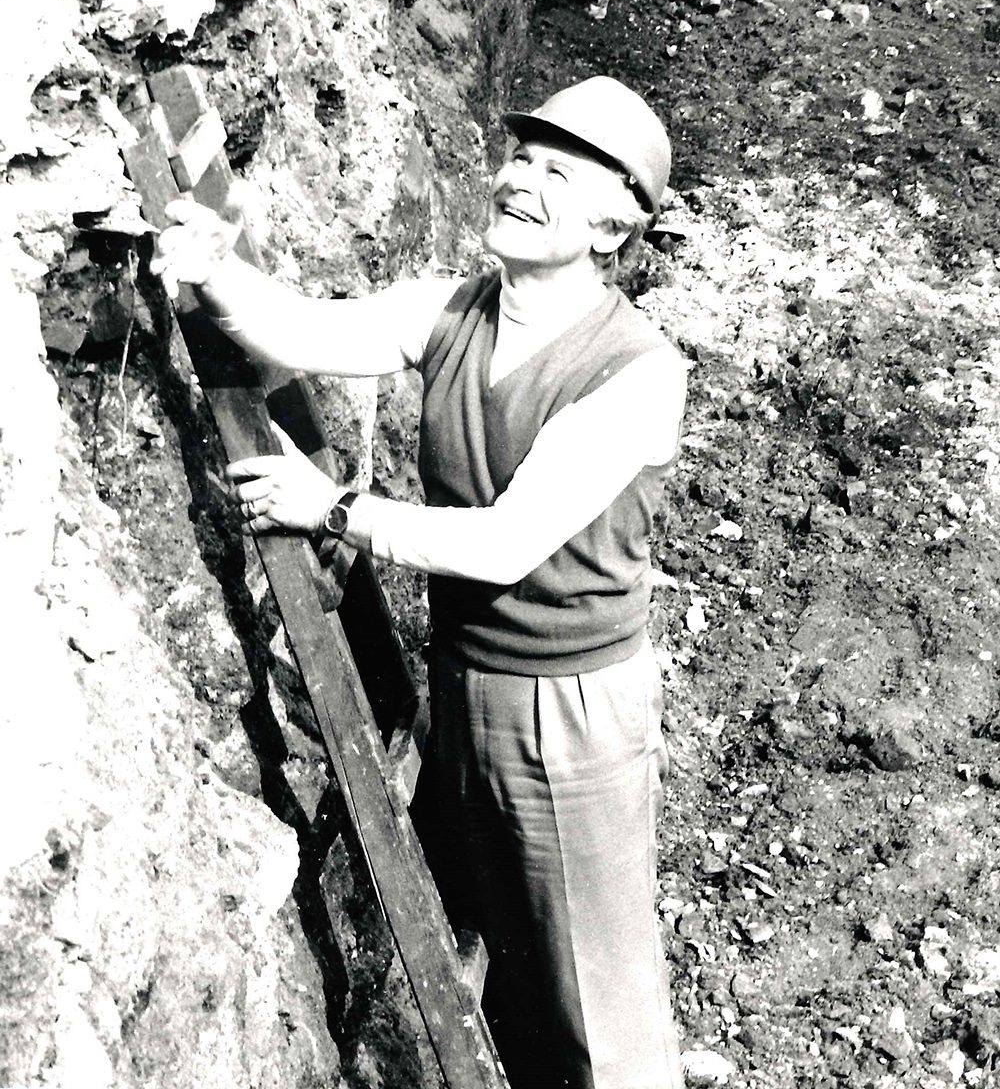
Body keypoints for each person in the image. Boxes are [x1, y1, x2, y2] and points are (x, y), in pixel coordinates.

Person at [150, 75, 687, 1089]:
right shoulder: (455, 310)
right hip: (467, 680)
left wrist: (336, 509)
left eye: (555, 172)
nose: (518, 180)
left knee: (597, 990)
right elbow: (300, 330)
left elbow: (505, 544)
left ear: (615, 218)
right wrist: (216, 269)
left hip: (569, 706)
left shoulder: (635, 370)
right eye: (520, 157)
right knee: (516, 957)